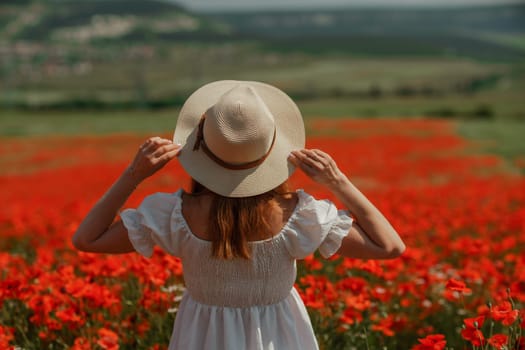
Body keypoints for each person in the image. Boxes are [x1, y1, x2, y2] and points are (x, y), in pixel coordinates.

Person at [72, 80, 405, 349]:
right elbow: (390, 247)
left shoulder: (175, 214)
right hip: (282, 336)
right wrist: (338, 181)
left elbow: (87, 239)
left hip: (200, 337)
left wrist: (133, 174)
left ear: (201, 148)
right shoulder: (297, 215)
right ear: (271, 152)